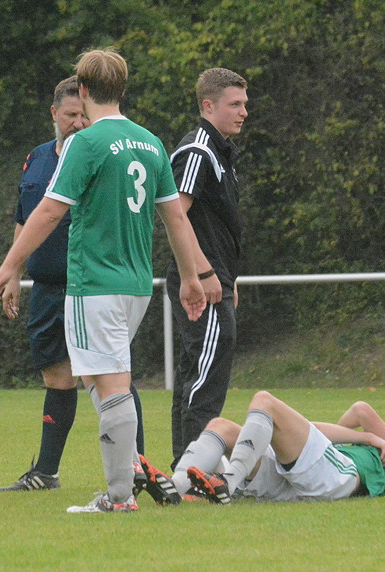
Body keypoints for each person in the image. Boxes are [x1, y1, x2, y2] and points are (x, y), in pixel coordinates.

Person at [0, 48, 217, 513]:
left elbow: (49, 211)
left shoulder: (85, 143)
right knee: (99, 377)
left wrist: (10, 264)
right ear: (123, 90)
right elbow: (175, 218)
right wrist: (191, 277)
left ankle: (119, 496)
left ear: (84, 89)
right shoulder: (149, 142)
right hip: (136, 285)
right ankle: (130, 474)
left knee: (109, 385)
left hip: (94, 283)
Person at [0, 76, 151, 493]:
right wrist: (14, 271)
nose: (78, 123)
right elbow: (25, 217)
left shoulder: (101, 152)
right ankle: (46, 472)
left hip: (93, 286)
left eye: (83, 115)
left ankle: (137, 468)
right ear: (54, 114)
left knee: (110, 375)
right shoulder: (36, 158)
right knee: (57, 376)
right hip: (48, 287)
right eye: (70, 116)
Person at [167, 68, 246, 470]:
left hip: (216, 277)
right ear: (208, 106)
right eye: (235, 104)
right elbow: (174, 214)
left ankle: (185, 465)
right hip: (202, 280)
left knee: (197, 371)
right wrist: (202, 272)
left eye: (244, 104)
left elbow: (215, 223)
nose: (244, 112)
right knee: (206, 375)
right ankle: (194, 469)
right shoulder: (198, 151)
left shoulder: (220, 152)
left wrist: (229, 276)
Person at [137, 390, 385, 506]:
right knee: (221, 426)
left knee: (264, 401)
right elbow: (320, 432)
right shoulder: (352, 456)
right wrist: (352, 439)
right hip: (300, 483)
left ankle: (227, 483)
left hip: (332, 478)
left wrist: (372, 438)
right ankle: (175, 487)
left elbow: (362, 410)